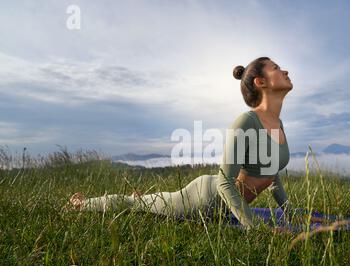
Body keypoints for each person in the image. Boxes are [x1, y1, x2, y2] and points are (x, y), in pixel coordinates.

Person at [66, 57, 317, 233]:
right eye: (276, 68)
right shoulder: (246, 121)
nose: (285, 71)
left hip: (227, 208)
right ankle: (81, 204)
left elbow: (271, 175)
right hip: (202, 200)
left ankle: (145, 198)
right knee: (136, 205)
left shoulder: (278, 123)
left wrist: (291, 213)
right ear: (260, 83)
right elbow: (223, 181)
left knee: (149, 201)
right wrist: (256, 227)